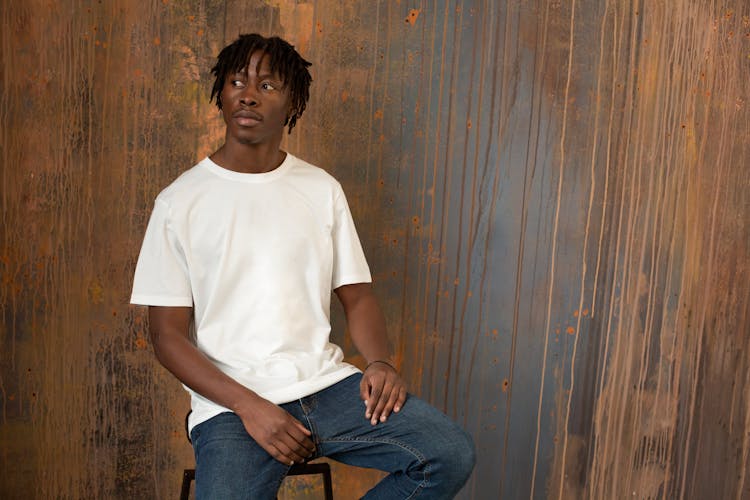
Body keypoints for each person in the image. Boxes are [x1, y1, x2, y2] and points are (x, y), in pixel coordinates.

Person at [131, 33, 475, 499]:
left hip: (326, 388)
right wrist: (250, 407)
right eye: (236, 81)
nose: (247, 94)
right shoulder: (179, 203)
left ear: (293, 103)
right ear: (222, 94)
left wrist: (379, 362)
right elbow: (167, 337)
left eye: (267, 86)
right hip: (232, 405)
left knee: (447, 453)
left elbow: (357, 296)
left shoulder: (320, 189)